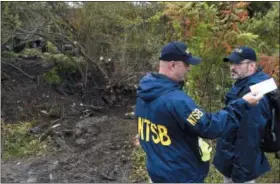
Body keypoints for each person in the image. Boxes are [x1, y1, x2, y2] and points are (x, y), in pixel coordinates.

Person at [134, 41, 263, 183]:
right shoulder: (177, 101)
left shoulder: (145, 90)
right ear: (172, 65)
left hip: (157, 173)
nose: (189, 68)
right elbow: (210, 127)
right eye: (186, 64)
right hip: (181, 177)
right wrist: (242, 104)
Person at [213, 46, 271, 183]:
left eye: (238, 63)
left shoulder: (255, 92)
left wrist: (239, 175)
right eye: (231, 63)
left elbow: (249, 137)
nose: (232, 67)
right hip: (230, 160)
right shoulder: (243, 84)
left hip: (239, 168)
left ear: (251, 66)